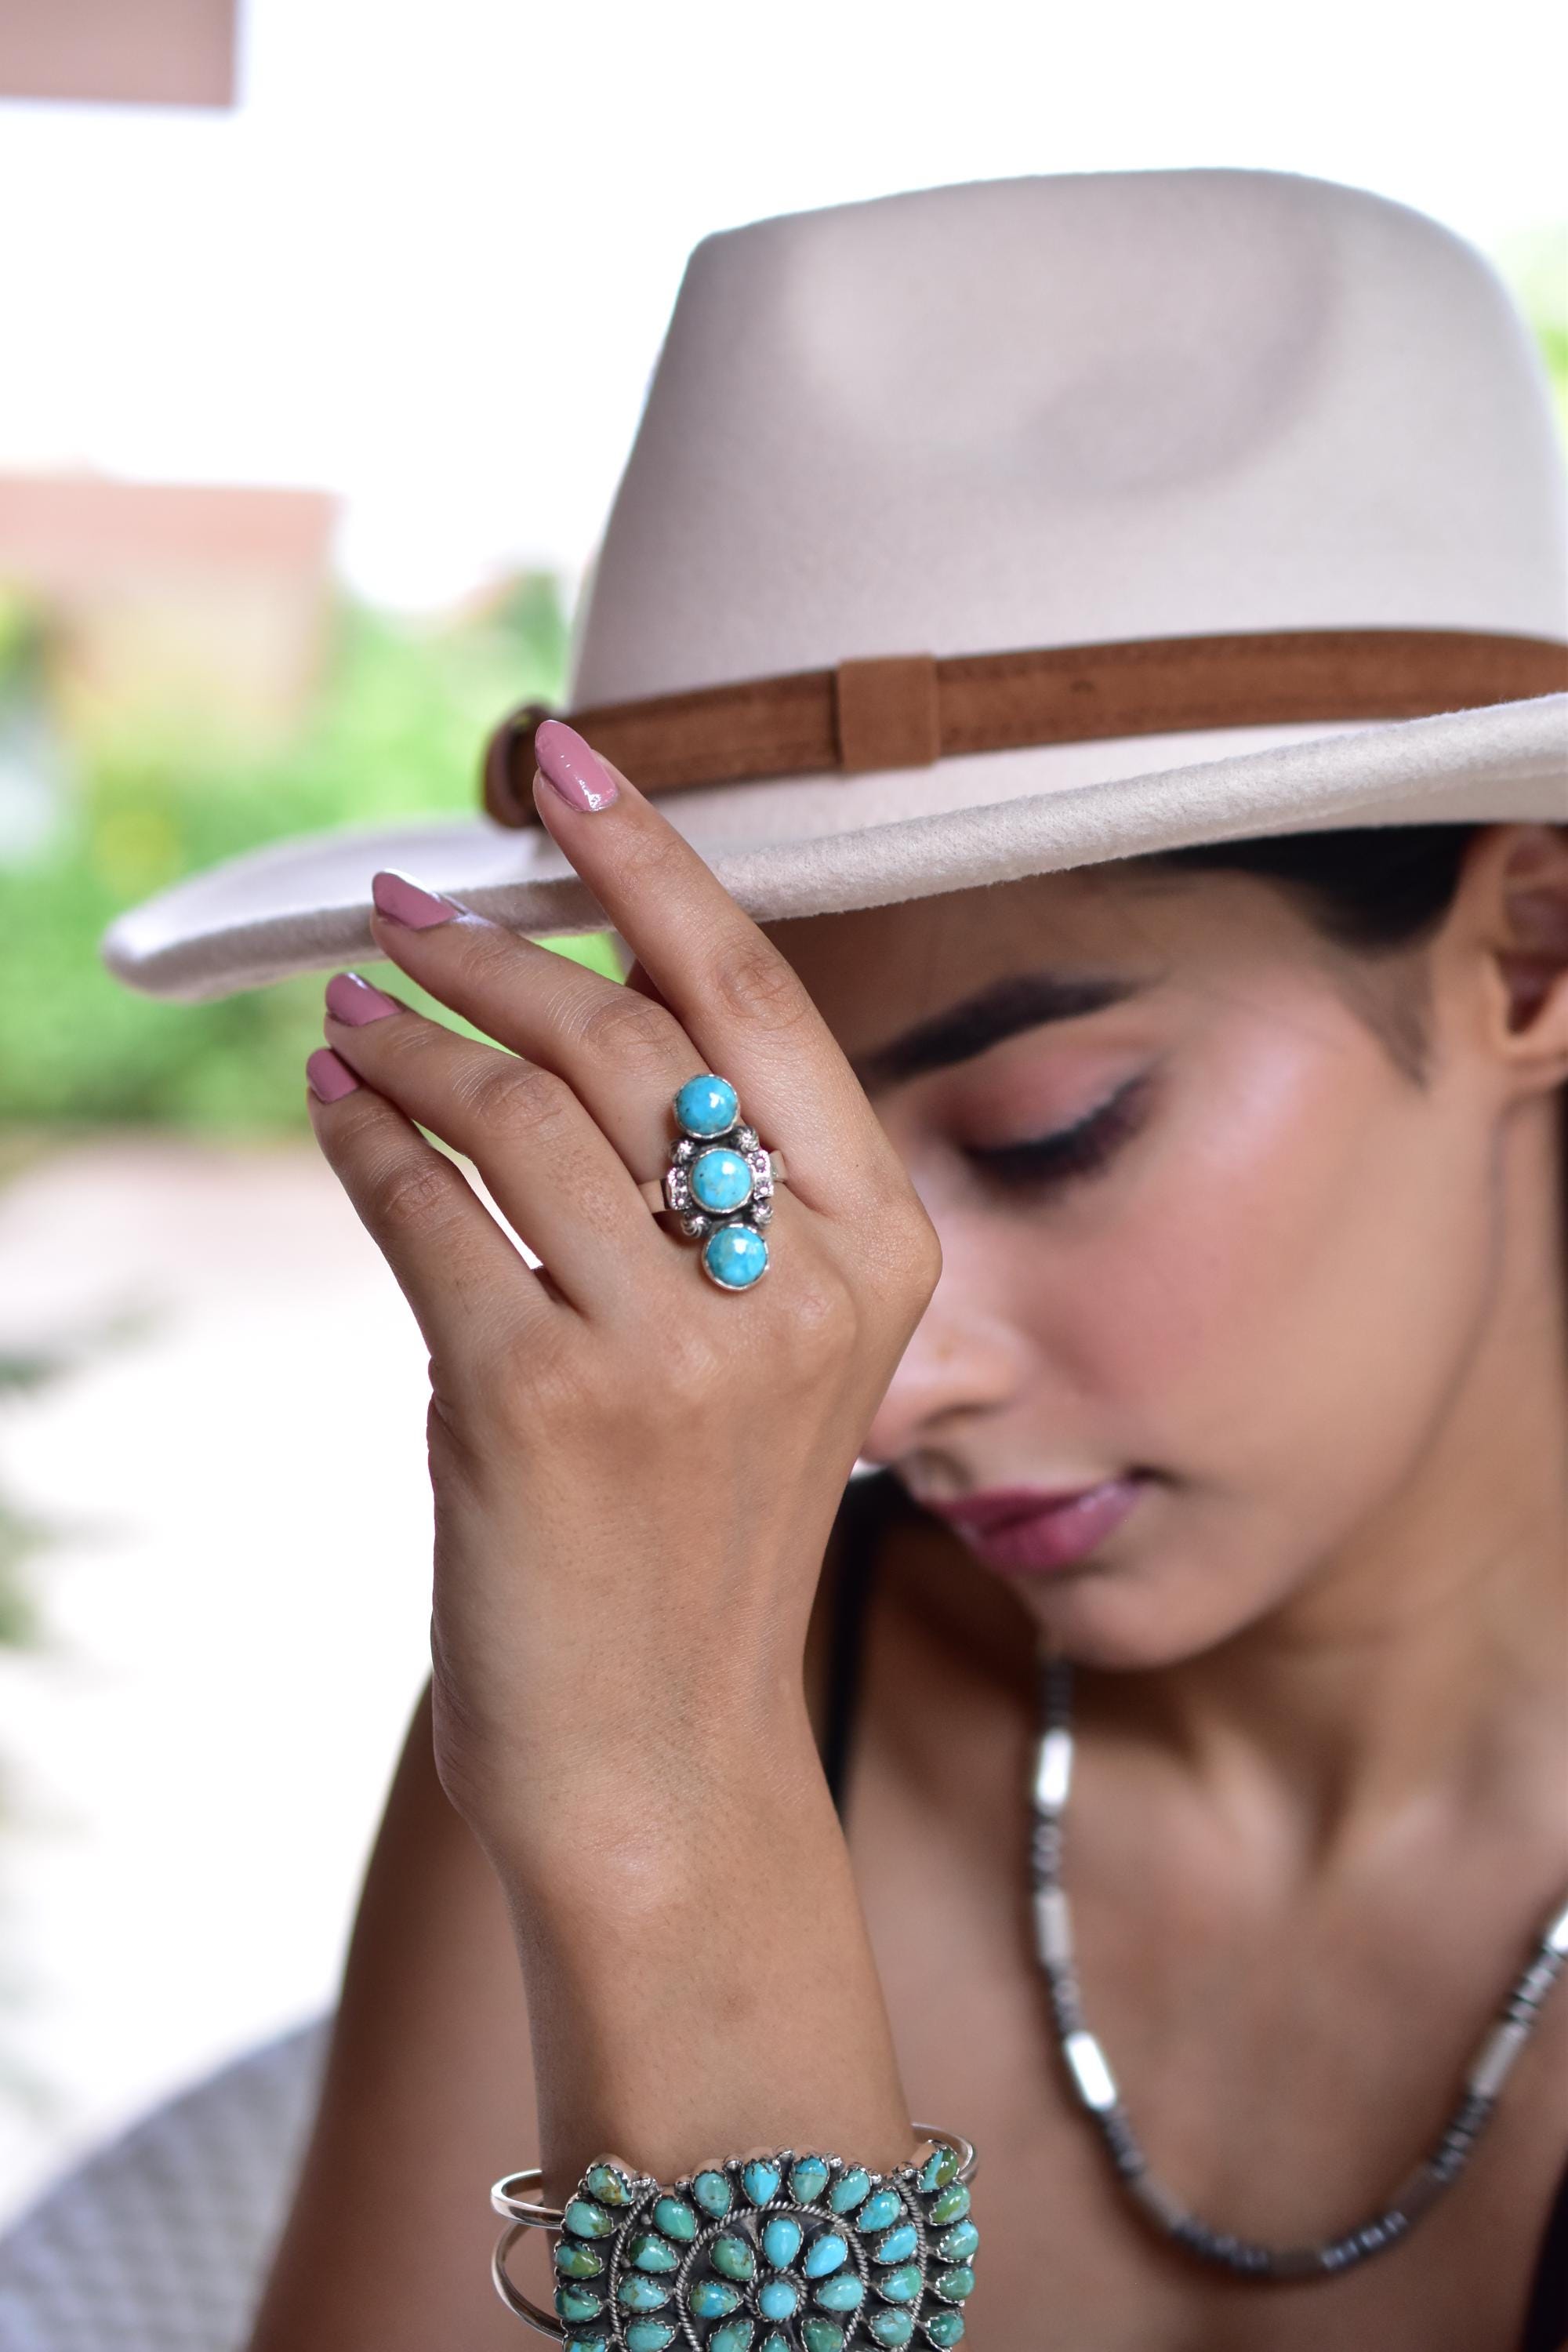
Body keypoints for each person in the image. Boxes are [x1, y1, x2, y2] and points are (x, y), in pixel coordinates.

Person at [100, 170, 1566, 2350]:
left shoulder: (675, 1716)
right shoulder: (663, 1682)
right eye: (751, 1174)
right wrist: (666, 1838)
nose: (867, 1384)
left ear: (1530, 953)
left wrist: (691, 1895)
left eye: (1047, 1133)